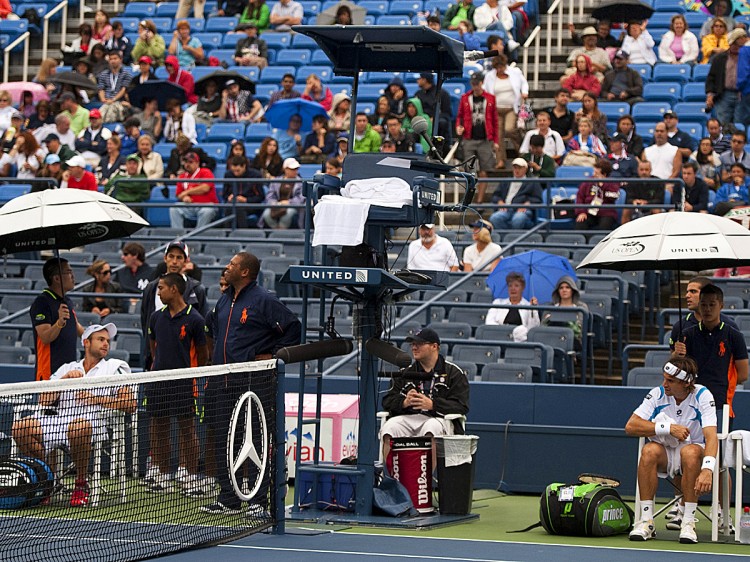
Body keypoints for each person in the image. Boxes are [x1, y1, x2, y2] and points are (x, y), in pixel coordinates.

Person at [201, 251, 301, 514]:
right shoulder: (223, 301)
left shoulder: (264, 300)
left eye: (232, 264)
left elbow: (293, 328)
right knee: (225, 438)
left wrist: (273, 354)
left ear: (245, 272)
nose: (227, 266)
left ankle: (258, 501)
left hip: (255, 381)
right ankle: (229, 498)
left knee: (258, 438)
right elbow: (213, 331)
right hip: (223, 381)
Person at [12, 323, 136, 508]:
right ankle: (47, 481)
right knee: (20, 428)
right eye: (100, 340)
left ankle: (80, 483)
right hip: (58, 420)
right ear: (86, 342)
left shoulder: (115, 367)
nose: (106, 344)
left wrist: (96, 399)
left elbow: (131, 405)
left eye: (107, 341)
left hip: (93, 421)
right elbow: (43, 401)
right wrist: (64, 380)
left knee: (78, 426)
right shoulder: (67, 368)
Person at [626, 357, 718, 544]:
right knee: (649, 450)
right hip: (666, 453)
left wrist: (708, 469)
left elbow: (711, 436)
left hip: (694, 451)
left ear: (686, 383)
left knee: (690, 452)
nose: (664, 384)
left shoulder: (703, 395)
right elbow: (631, 426)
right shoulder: (657, 394)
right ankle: (646, 522)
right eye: (664, 378)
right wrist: (667, 428)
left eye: (670, 381)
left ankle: (688, 522)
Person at [146, 273, 209, 495]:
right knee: (158, 427)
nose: (159, 292)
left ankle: (189, 476)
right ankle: (162, 475)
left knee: (187, 428)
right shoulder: (155, 317)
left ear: (174, 289)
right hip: (158, 381)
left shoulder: (196, 320)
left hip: (184, 383)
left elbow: (203, 355)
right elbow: (154, 349)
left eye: (161, 288)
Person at [379, 327, 469, 462]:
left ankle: (426, 480)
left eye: (419, 344)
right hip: (410, 417)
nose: (414, 348)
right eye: (412, 344)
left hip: (439, 419)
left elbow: (461, 406)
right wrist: (404, 402)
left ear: (434, 346)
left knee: (431, 427)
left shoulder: (454, 372)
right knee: (390, 427)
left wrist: (433, 405)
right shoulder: (405, 372)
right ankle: (390, 478)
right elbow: (387, 401)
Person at [140, 241, 208, 366]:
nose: (174, 261)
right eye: (171, 256)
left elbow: (203, 328)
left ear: (186, 261)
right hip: (158, 359)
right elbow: (146, 322)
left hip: (185, 359)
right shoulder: (151, 288)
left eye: (179, 257)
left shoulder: (197, 289)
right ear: (165, 258)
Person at [30, 258, 85, 381]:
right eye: (69, 272)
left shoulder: (67, 301)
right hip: (49, 371)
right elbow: (45, 337)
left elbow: (75, 326)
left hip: (69, 370)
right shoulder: (42, 303)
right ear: (56, 278)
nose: (73, 276)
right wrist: (59, 323)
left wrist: (94, 335)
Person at [456, 72, 498, 202]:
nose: (476, 87)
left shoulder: (490, 98)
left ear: (482, 83)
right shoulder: (465, 98)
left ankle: (479, 200)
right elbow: (459, 116)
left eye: (477, 84)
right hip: (469, 137)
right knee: (469, 171)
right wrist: (458, 127)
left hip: (485, 139)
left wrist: (496, 140)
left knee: (484, 170)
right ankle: (469, 198)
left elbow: (495, 121)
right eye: (473, 84)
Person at [483, 54, 527, 168]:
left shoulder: (515, 72)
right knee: (498, 135)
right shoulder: (489, 76)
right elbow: (486, 91)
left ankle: (521, 152)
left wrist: (524, 92)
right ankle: (500, 160)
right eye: (497, 67)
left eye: (501, 67)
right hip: (496, 109)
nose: (499, 70)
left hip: (511, 108)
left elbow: (524, 82)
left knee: (509, 129)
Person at [706, 28, 748, 126]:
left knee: (740, 125)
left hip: (743, 95)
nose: (735, 47)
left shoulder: (747, 58)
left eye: (738, 45)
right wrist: (710, 95)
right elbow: (711, 77)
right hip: (724, 94)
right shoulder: (719, 58)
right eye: (734, 44)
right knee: (723, 124)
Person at [485, 271, 540, 342]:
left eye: (516, 285)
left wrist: (534, 309)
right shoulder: (498, 302)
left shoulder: (528, 306)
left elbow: (533, 328)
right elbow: (489, 322)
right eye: (510, 285)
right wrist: (504, 331)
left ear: (522, 288)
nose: (513, 288)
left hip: (520, 341)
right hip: (499, 338)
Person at [489, 158, 543, 229]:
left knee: (518, 219)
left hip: (522, 209)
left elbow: (538, 198)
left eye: (519, 168)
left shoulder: (532, 182)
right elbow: (496, 195)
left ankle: (514, 237)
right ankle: (506, 237)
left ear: (525, 169)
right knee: (494, 218)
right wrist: (500, 202)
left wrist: (526, 204)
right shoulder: (506, 182)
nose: (516, 170)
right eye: (515, 168)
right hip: (506, 208)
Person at [170, 151, 219, 229]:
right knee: (174, 208)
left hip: (206, 204)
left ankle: (197, 236)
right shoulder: (182, 176)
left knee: (207, 211)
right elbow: (179, 194)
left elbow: (205, 188)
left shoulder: (205, 172)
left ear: (197, 163)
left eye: (190, 162)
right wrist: (184, 197)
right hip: (189, 205)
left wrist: (187, 192)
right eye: (185, 162)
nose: (187, 164)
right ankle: (177, 235)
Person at [542, 276, 588, 350]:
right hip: (551, 338)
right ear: (558, 291)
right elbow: (542, 326)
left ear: (572, 290)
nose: (564, 290)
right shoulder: (550, 307)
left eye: (567, 287)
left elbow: (580, 328)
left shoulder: (581, 307)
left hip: (572, 340)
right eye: (561, 288)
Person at [574, 158, 620, 230]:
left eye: (596, 173)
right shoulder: (587, 182)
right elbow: (580, 197)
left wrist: (602, 186)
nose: (594, 175)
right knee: (580, 223)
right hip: (589, 212)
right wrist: (581, 212)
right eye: (594, 172)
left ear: (604, 174)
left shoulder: (612, 183)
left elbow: (614, 197)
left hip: (606, 212)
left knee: (605, 226)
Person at [259, 157, 304, 228]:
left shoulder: (301, 183)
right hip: (276, 205)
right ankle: (276, 231)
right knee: (266, 214)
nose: (295, 171)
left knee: (287, 215)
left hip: (292, 206)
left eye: (296, 169)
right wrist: (274, 203)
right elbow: (270, 195)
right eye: (292, 169)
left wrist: (289, 202)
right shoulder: (276, 181)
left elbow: (301, 198)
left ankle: (281, 232)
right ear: (285, 169)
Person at [223, 154, 264, 228]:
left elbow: (260, 196)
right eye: (233, 171)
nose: (235, 173)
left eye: (238, 171)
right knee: (229, 206)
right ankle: (228, 233)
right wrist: (229, 197)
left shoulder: (255, 175)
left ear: (244, 166)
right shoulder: (228, 175)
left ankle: (242, 233)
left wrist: (246, 200)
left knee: (238, 207)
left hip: (251, 205)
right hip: (233, 203)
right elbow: (224, 194)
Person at [97, 49, 131, 123]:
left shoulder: (126, 74)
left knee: (111, 109)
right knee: (102, 111)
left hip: (119, 101)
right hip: (106, 101)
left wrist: (113, 99)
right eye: (111, 59)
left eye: (115, 58)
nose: (113, 61)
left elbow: (123, 89)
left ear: (120, 60)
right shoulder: (103, 74)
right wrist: (103, 99)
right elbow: (101, 89)